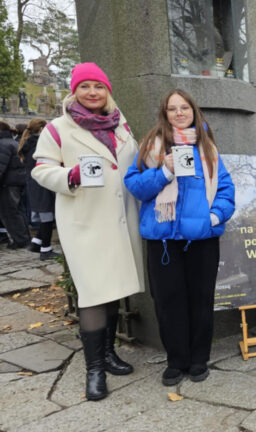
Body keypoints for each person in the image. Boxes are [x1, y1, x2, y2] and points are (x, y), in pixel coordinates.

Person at [32, 63, 145, 401]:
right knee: (93, 294)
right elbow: (41, 169)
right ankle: (94, 369)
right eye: (85, 87)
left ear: (107, 90)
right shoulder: (58, 128)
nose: (92, 92)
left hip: (121, 220)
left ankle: (108, 354)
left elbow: (133, 163)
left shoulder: (121, 125)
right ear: (74, 91)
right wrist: (71, 176)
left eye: (98, 86)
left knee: (112, 290)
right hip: (86, 224)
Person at [124, 89, 235, 386]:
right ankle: (176, 360)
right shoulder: (151, 146)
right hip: (163, 240)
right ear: (165, 113)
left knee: (201, 300)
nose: (179, 113)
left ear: (193, 111)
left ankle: (199, 359)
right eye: (172, 109)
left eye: (184, 107)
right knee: (168, 302)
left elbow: (226, 189)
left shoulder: (208, 148)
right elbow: (134, 185)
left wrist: (213, 218)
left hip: (202, 239)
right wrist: (164, 172)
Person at [18, 118, 59, 260]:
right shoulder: (38, 144)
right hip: (41, 185)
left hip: (34, 184)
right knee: (47, 217)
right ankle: (45, 250)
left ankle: (36, 243)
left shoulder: (28, 143)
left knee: (45, 217)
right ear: (41, 130)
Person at [0, 121, 30, 249]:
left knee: (10, 213)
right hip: (18, 181)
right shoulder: (12, 142)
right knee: (18, 211)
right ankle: (24, 237)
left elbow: (1, 166)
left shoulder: (3, 145)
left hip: (8, 183)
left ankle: (20, 240)